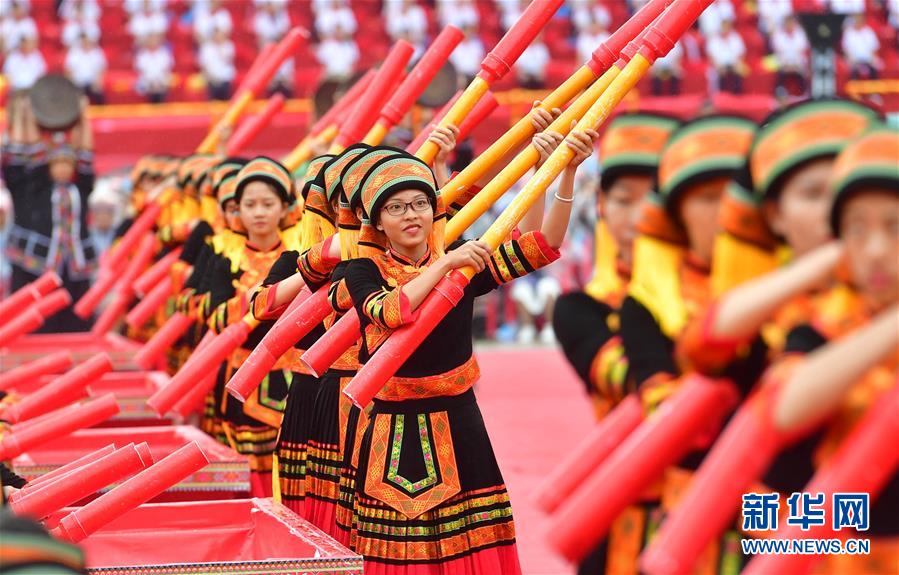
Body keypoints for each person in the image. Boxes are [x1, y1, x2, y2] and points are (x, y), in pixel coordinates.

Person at [341, 123, 595, 569]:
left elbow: (539, 247)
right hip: (391, 425)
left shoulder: (458, 260)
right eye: (396, 208)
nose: (411, 215)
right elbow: (389, 311)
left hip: (460, 419)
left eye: (420, 204)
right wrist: (446, 265)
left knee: (473, 545)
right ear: (377, 221)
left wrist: (560, 171)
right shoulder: (364, 270)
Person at [760, 128, 898, 575]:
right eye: (856, 229)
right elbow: (782, 410)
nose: (875, 251)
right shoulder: (818, 327)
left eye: (895, 227)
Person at [204, 157, 301, 497]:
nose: (259, 212)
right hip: (244, 373)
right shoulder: (226, 258)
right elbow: (214, 318)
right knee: (248, 469)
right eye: (250, 205)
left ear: (284, 208)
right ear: (238, 211)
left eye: (268, 204)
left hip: (296, 375)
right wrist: (252, 297)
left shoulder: (300, 255)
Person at [2, 94, 98, 333]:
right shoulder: (33, 188)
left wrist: (82, 116)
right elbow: (24, 154)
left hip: (73, 265)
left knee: (77, 320)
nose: (63, 168)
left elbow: (86, 154)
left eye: (68, 163)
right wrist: (26, 116)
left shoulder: (80, 188)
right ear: (48, 166)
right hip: (34, 264)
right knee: (36, 320)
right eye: (58, 163)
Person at [771, 15, 809, 98]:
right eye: (788, 23)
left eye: (792, 23)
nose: (790, 25)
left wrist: (794, 65)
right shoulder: (778, 34)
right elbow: (779, 51)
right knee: (778, 69)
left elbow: (801, 50)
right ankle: (778, 92)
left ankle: (804, 93)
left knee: (803, 69)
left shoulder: (800, 33)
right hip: (783, 62)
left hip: (797, 62)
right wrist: (787, 64)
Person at [706, 18, 746, 94]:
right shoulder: (714, 39)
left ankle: (737, 94)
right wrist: (717, 66)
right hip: (719, 65)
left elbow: (741, 54)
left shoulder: (735, 38)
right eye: (724, 27)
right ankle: (719, 94)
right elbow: (711, 56)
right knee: (714, 73)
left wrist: (737, 64)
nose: (725, 29)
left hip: (733, 64)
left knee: (740, 70)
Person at [65, 33, 107, 104]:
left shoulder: (97, 52)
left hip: (92, 83)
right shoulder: (74, 53)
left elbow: (101, 69)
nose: (85, 43)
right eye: (83, 42)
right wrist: (71, 85)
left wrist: (98, 82)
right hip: (78, 83)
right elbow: (69, 70)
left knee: (99, 94)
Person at [199, 26, 236, 101]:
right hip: (212, 81)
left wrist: (220, 47)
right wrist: (211, 78)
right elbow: (204, 65)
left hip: (225, 80)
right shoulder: (206, 48)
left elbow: (227, 60)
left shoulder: (228, 46)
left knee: (226, 102)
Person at [135, 33, 173, 103]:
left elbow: (166, 70)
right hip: (147, 80)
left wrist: (158, 82)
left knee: (164, 84)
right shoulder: (142, 55)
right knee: (144, 86)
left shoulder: (164, 54)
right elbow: (141, 71)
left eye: (155, 40)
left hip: (160, 81)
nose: (153, 42)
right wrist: (151, 82)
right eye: (151, 40)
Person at [841, 13, 881, 80]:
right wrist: (851, 60)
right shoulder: (848, 33)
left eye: (860, 19)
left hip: (868, 59)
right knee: (852, 69)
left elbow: (875, 49)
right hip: (853, 60)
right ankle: (854, 85)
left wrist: (873, 59)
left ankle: (873, 86)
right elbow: (845, 50)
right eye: (856, 20)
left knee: (875, 66)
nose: (858, 21)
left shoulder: (869, 32)